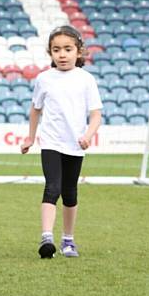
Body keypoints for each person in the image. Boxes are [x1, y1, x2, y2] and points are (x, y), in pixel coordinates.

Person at [20, 25, 102, 259]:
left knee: (70, 193)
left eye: (67, 49)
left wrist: (88, 135)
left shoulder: (86, 80)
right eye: (57, 50)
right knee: (52, 187)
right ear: (51, 53)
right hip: (51, 143)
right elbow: (36, 110)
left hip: (75, 145)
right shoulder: (44, 79)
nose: (62, 54)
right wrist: (30, 137)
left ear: (79, 52)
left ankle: (68, 240)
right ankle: (47, 238)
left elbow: (96, 114)